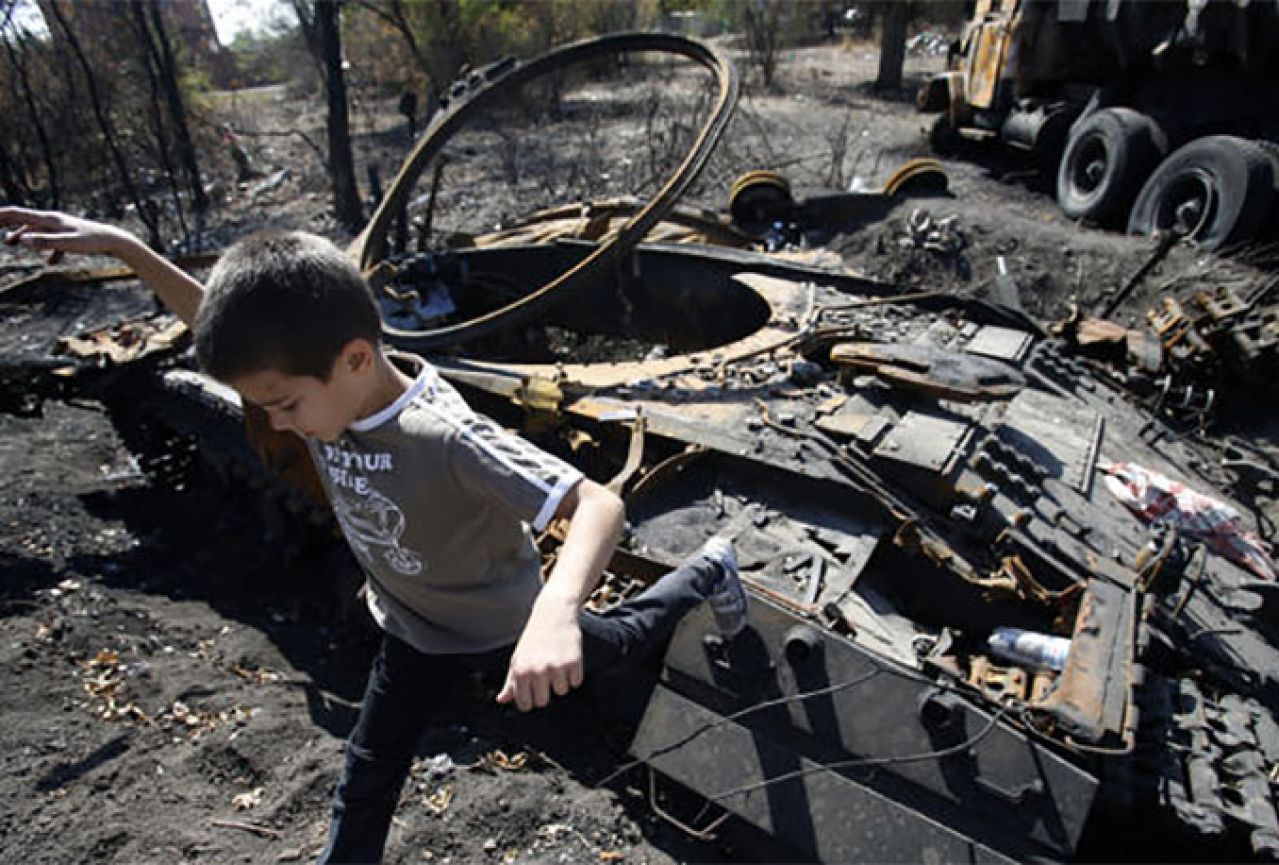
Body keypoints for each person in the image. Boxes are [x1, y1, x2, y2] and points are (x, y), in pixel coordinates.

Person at [0, 207, 750, 864]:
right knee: (368, 768)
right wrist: (129, 249)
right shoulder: (321, 387)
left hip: (508, 626)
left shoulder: (444, 435)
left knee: (618, 638)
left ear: (356, 358)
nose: (278, 422)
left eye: (285, 404)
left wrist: (553, 616)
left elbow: (595, 505)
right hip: (413, 627)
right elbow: (217, 325)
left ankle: (707, 571)